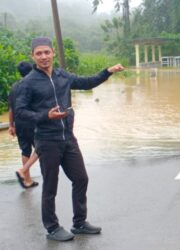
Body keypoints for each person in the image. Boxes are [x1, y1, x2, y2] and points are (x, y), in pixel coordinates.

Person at [16, 37, 124, 242]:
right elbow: (21, 112)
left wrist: (107, 71)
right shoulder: (28, 83)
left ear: (53, 53)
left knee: (81, 178)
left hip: (68, 138)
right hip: (47, 141)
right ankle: (52, 227)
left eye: (47, 52)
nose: (44, 56)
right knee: (50, 186)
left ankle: (80, 222)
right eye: (39, 53)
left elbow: (86, 82)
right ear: (33, 56)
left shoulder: (61, 75)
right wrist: (45, 116)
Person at [8, 62, 39, 189]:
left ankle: (27, 180)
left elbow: (11, 109)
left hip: (19, 124)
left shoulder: (14, 87)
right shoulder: (33, 84)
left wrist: (11, 125)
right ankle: (24, 171)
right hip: (32, 121)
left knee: (25, 150)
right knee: (42, 147)